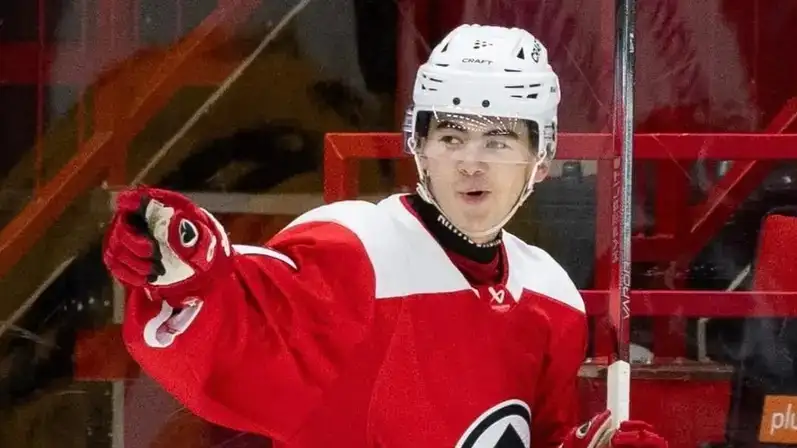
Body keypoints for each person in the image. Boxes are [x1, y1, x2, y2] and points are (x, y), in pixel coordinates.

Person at [103, 24, 667, 447]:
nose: (471, 163)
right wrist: (187, 273)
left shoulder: (552, 294)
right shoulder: (354, 249)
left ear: (541, 158)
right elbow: (246, 328)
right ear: (418, 145)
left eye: (498, 141)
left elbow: (534, 435)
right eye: (451, 137)